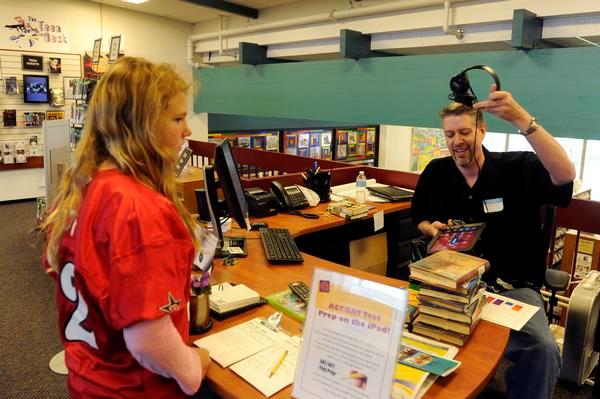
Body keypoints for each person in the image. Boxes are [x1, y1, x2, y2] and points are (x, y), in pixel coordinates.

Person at [41, 57, 212, 398]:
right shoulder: (136, 206)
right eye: (177, 119)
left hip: (90, 378)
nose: (187, 130)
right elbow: (148, 339)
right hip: (136, 387)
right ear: (140, 125)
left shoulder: (77, 190)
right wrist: (194, 366)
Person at [411, 85, 576, 399]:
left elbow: (565, 174)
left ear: (482, 130)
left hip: (509, 286)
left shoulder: (516, 167)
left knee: (542, 349)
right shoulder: (436, 172)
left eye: (464, 131)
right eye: (449, 135)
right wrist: (432, 229)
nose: (457, 141)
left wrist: (521, 119)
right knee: (415, 333)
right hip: (452, 284)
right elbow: (419, 214)